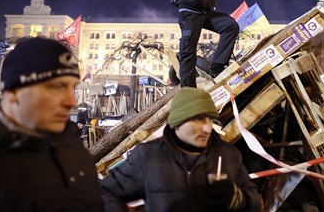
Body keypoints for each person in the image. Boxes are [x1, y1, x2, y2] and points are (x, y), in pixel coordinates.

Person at [0, 37, 104, 212]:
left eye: (72, 88)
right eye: (56, 87)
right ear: (14, 92)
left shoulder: (71, 146)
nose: (72, 101)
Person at [100, 87, 261, 212]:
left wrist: (236, 198)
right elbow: (104, 192)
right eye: (198, 120)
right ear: (178, 123)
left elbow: (255, 202)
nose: (207, 128)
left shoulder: (228, 154)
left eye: (210, 120)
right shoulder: (149, 156)